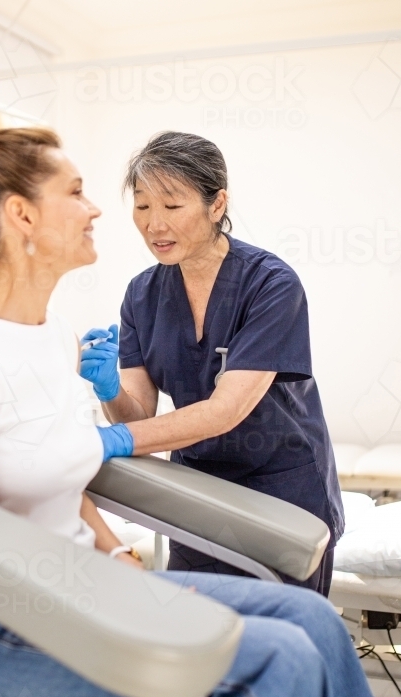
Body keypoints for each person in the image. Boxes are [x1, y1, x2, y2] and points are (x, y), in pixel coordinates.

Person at [0, 127, 401, 697]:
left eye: (166, 204)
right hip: (17, 624)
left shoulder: (48, 334)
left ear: (215, 204)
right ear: (22, 216)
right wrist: (106, 585)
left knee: (315, 624)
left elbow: (191, 423)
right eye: (84, 193)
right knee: (281, 661)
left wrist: (109, 545)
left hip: (268, 479)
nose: (121, 217)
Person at [80, 131, 343, 595]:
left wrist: (108, 440)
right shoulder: (141, 295)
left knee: (285, 640)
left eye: (172, 206)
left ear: (216, 205)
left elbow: (226, 411)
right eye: (142, 207)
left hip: (280, 492)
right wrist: (109, 394)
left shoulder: (271, 285)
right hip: (196, 496)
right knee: (200, 634)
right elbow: (139, 416)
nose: (154, 225)